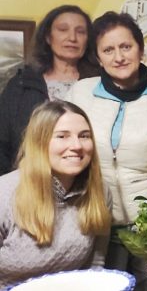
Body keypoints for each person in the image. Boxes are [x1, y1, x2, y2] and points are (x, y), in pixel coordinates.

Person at [68, 11, 147, 291]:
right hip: (92, 219)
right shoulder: (80, 94)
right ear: (98, 57)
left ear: (140, 49)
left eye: (126, 46)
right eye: (108, 50)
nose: (118, 56)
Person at [0, 101, 111, 288]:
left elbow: (95, 267)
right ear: (39, 142)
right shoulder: (5, 194)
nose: (77, 145)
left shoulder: (99, 191)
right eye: (62, 136)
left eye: (84, 136)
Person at [0, 5, 99, 175]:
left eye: (80, 32)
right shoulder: (22, 84)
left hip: (87, 181)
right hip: (28, 182)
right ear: (48, 36)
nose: (72, 38)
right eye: (63, 29)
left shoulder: (99, 84)